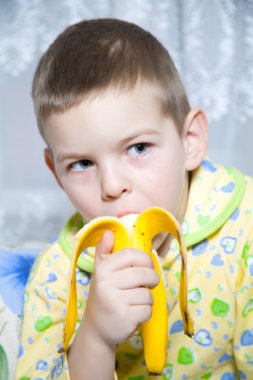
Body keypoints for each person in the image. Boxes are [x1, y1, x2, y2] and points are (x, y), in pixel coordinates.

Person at [16, 18, 253, 380]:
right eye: (82, 163)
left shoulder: (246, 225)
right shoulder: (55, 275)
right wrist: (95, 337)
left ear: (190, 141)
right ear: (56, 174)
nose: (112, 186)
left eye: (138, 148)